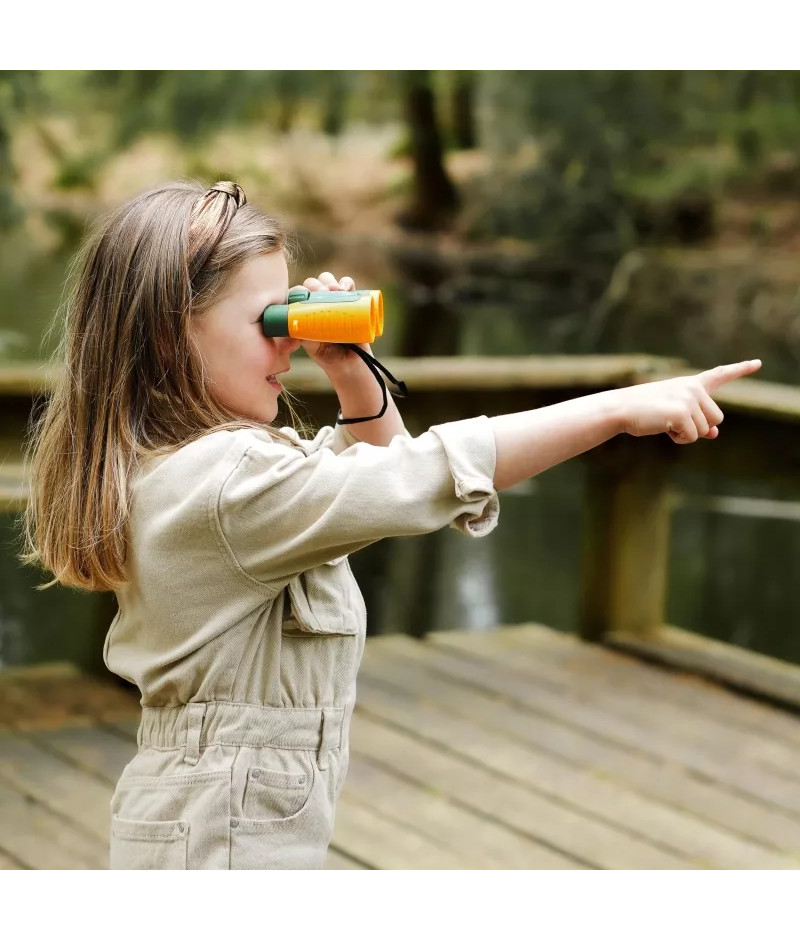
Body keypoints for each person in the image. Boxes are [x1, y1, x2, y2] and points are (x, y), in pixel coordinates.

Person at [21, 180, 762, 870]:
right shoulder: (221, 485)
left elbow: (378, 479)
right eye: (268, 320)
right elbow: (420, 477)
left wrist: (351, 372)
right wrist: (613, 409)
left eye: (292, 315)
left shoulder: (204, 474)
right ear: (165, 335)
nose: (288, 341)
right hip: (221, 838)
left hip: (214, 817)